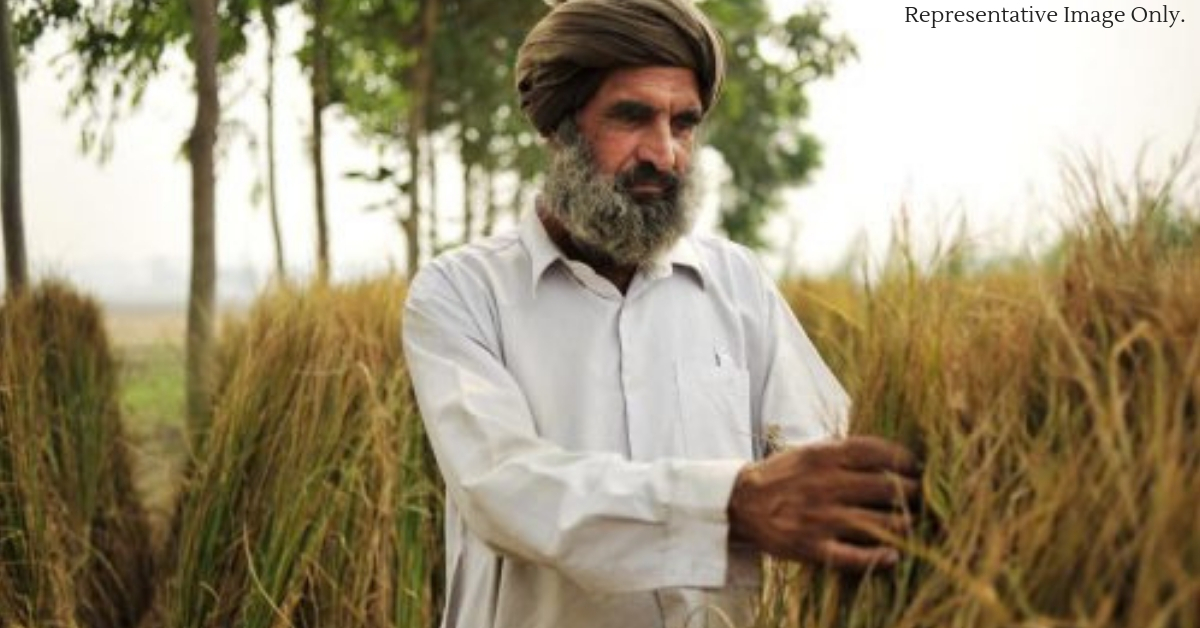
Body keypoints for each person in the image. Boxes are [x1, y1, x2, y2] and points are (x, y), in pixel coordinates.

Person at [402, 1, 920, 626]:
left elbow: (819, 453)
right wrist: (733, 504)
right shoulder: (461, 294)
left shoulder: (737, 283)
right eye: (632, 116)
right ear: (557, 127)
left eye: (683, 123)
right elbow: (505, 490)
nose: (665, 153)